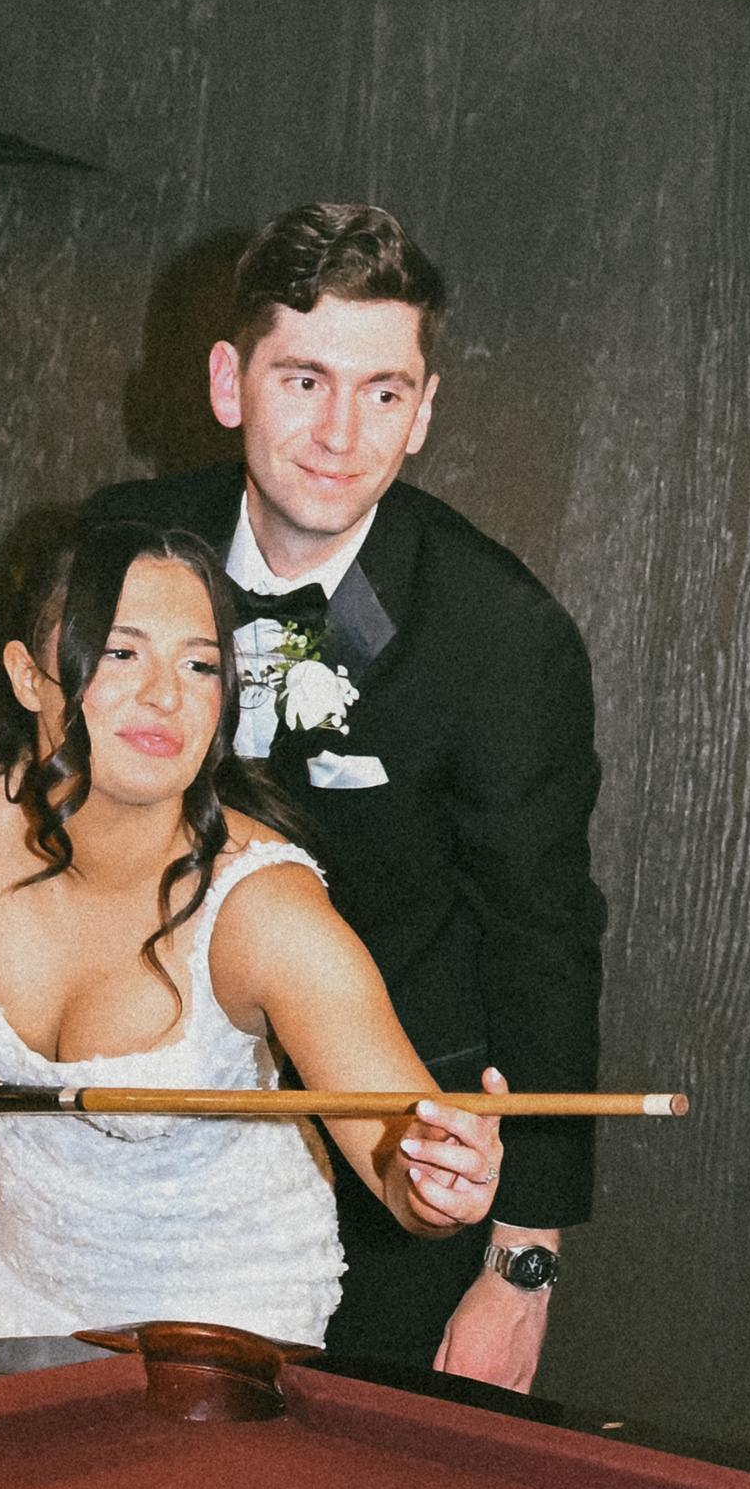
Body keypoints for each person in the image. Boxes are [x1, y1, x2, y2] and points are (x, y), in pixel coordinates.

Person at [85, 204, 602, 1392]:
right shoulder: (116, 545)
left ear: (424, 412)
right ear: (230, 383)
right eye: (305, 380)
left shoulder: (501, 636)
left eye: (383, 393)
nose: (339, 434)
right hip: (127, 1148)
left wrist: (521, 1268)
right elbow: (3, 800)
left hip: (393, 1183)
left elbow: (544, 943)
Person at [0, 522, 501, 1344]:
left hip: (214, 1304)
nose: (166, 695)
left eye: (200, 665)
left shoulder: (266, 915)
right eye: (122, 653)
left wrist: (439, 1184)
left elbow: (400, 1160)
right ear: (27, 676)